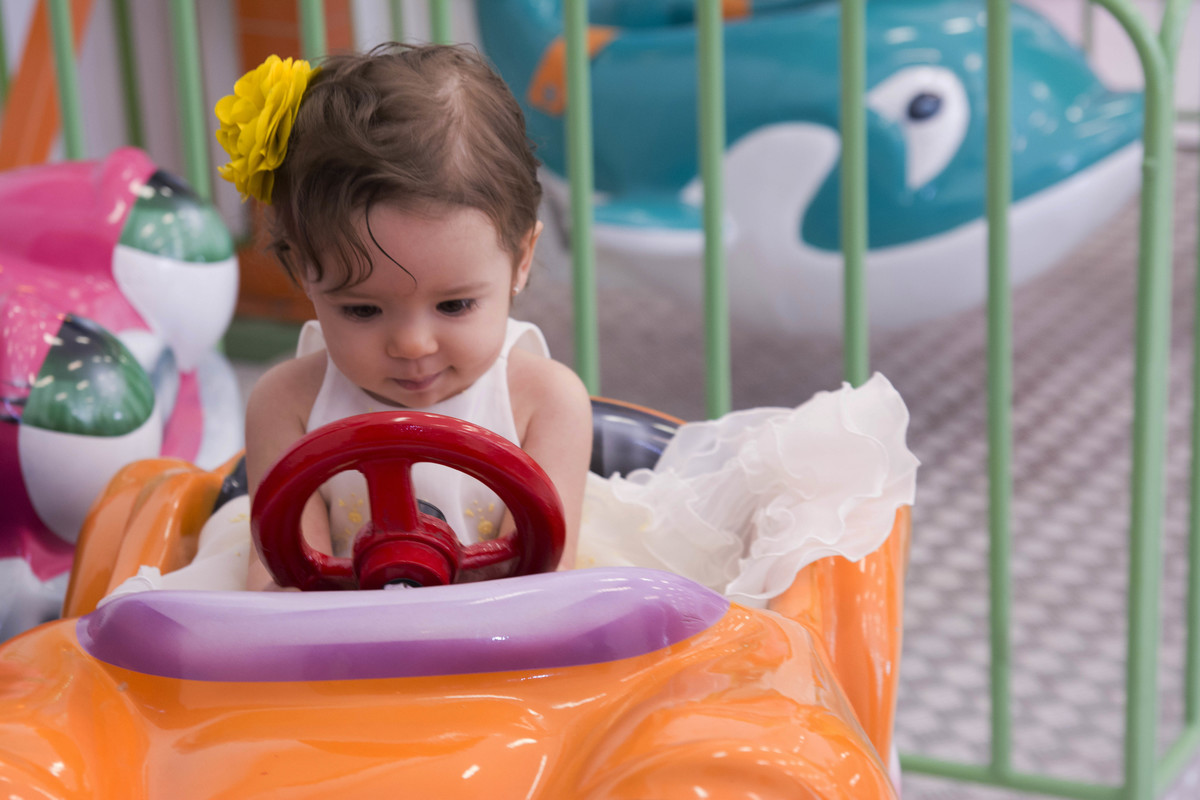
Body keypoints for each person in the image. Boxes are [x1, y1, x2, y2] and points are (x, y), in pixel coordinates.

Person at [213, 44, 593, 590]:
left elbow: (544, 579)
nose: (413, 345)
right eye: (362, 309)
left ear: (521, 260)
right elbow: (282, 580)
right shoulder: (287, 404)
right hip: (337, 631)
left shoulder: (546, 402)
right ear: (303, 271)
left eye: (454, 305)